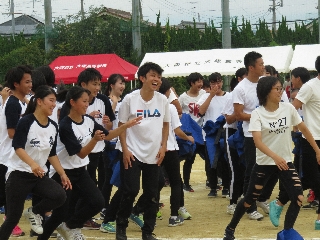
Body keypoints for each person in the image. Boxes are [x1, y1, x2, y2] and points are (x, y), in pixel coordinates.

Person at [38, 86, 142, 240]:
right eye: (84, 101)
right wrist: (94, 140)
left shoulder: (88, 120)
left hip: (80, 171)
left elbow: (108, 135)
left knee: (97, 201)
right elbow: (81, 153)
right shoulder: (66, 125)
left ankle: (70, 227)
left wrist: (126, 125)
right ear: (72, 102)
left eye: (88, 101)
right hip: (64, 173)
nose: (87, 104)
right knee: (61, 213)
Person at [223, 76, 320, 240]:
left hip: (285, 162)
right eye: (277, 89)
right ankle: (230, 229)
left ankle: (287, 232)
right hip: (265, 163)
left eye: (281, 88)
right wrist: (275, 157)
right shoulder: (257, 114)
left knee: (298, 197)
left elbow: (303, 128)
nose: (281, 91)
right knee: (248, 200)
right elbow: (258, 142)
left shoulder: (288, 108)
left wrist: (317, 150)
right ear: (267, 92)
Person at [0, 86, 72, 240]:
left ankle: (33, 212)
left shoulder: (53, 126)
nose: (54, 104)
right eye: (51, 100)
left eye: (55, 101)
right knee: (13, 218)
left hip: (38, 175)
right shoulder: (26, 121)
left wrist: (62, 173)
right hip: (18, 174)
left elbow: (51, 154)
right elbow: (17, 146)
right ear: (39, 101)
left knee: (59, 195)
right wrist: (32, 164)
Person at [115, 62, 169, 240]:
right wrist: (125, 150)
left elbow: (166, 124)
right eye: (153, 75)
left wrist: (163, 146)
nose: (157, 80)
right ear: (142, 78)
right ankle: (121, 227)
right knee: (130, 190)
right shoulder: (130, 99)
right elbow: (121, 125)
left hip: (153, 153)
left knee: (152, 193)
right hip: (132, 151)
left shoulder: (162, 100)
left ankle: (148, 231)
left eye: (159, 77)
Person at [233, 51, 278, 220]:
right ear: (251, 67)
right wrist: (259, 117)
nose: (263, 66)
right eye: (260, 64)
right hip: (251, 135)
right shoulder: (241, 88)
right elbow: (238, 115)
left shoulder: (265, 83)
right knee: (252, 171)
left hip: (270, 133)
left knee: (275, 167)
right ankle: (249, 206)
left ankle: (262, 198)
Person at [0, 65, 32, 237]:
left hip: (11, 156)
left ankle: (10, 222)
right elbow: (12, 133)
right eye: (26, 82)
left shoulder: (19, 102)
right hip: (7, 157)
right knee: (8, 196)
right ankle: (10, 224)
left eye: (31, 81)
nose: (30, 85)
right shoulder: (13, 104)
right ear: (16, 84)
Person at [158, 78, 194, 226]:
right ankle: (174, 215)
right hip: (170, 149)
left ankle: (152, 210)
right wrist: (189, 138)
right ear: (167, 91)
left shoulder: (151, 105)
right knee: (176, 182)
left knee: (155, 182)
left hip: (154, 149)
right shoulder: (169, 106)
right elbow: (177, 130)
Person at [291, 56, 320, 230]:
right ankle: (279, 202)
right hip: (311, 138)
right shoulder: (309, 87)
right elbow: (293, 107)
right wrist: (297, 126)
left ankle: (318, 218)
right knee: (312, 178)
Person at [198, 73, 230, 198]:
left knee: (225, 160)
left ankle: (226, 186)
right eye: (212, 83)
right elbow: (201, 111)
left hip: (224, 131)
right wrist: (211, 95)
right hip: (210, 133)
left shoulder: (229, 96)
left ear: (222, 82)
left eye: (218, 82)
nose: (216, 85)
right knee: (211, 161)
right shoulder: (205, 96)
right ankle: (213, 187)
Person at [222, 67, 247, 214]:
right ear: (239, 78)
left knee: (247, 169)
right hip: (232, 132)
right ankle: (232, 201)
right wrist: (239, 114)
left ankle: (247, 198)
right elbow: (228, 118)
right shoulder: (232, 95)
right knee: (236, 169)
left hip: (247, 132)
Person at [178, 72, 205, 192]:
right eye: (197, 82)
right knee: (190, 158)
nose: (200, 84)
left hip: (202, 130)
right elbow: (178, 112)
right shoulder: (183, 97)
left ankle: (211, 182)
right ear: (191, 83)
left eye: (201, 81)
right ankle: (186, 183)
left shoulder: (204, 94)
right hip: (190, 131)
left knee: (209, 157)